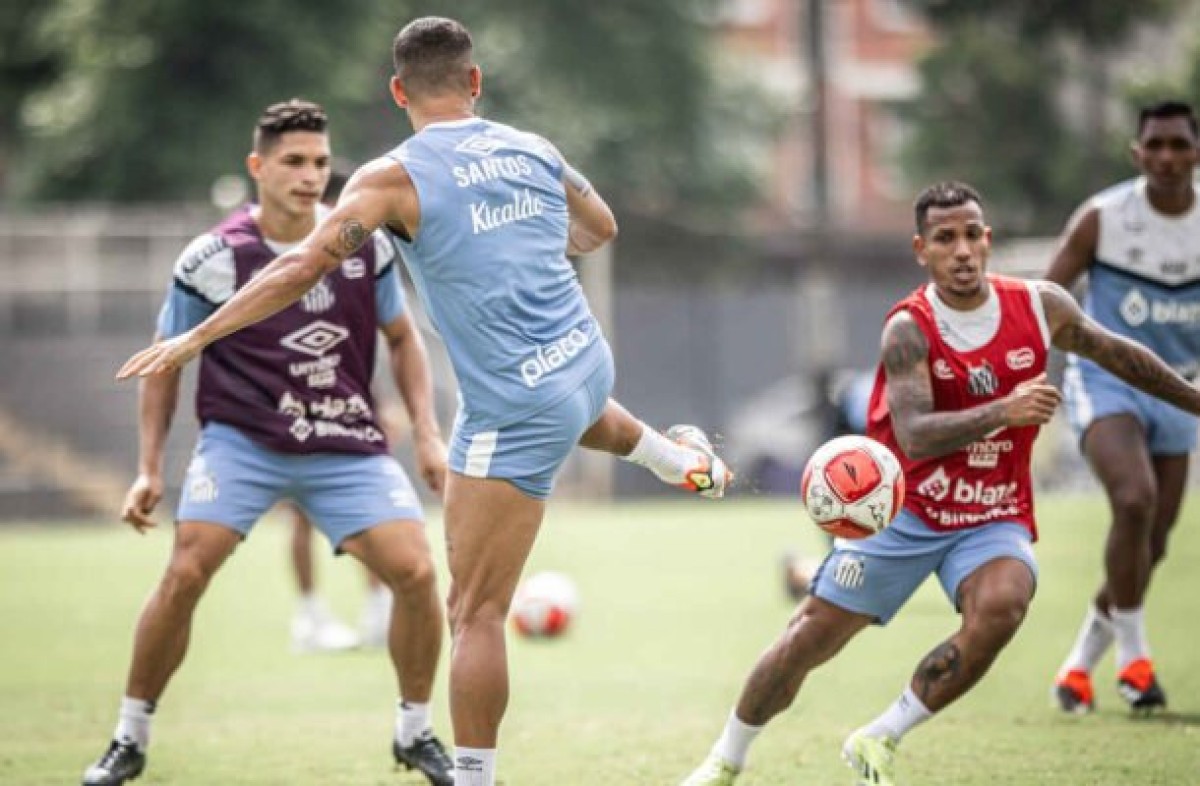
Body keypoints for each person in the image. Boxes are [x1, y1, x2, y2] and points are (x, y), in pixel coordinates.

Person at [114, 18, 733, 786]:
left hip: (512, 408)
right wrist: (526, 242)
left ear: (399, 91)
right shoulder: (534, 149)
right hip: (586, 363)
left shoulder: (388, 179)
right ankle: (680, 460)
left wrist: (193, 338)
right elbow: (601, 228)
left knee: (472, 612)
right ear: (475, 83)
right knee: (572, 412)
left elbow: (303, 267)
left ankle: (474, 777)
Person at [678, 181, 1200, 786]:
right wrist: (1006, 410)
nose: (962, 250)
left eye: (972, 235)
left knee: (1004, 606)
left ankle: (881, 736)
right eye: (946, 239)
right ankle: (725, 759)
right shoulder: (909, 328)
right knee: (807, 640)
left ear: (987, 241)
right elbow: (916, 432)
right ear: (921, 249)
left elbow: (1119, 354)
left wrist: (1193, 399)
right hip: (905, 512)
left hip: (991, 514)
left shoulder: (1041, 306)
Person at [84, 99, 455, 786]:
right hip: (243, 443)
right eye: (294, 162)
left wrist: (427, 436)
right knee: (187, 568)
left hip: (345, 441)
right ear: (258, 167)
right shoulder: (213, 259)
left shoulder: (363, 245)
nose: (311, 175)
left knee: (418, 573)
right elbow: (165, 367)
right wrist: (147, 470)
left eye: (320, 162)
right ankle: (128, 738)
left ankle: (415, 731)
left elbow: (405, 340)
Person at [1047, 100, 1200, 715]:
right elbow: (1046, 303)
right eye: (1154, 145)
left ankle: (1078, 666)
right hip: (1106, 381)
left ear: (1196, 153)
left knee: (1153, 542)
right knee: (1133, 499)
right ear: (1136, 154)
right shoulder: (1102, 218)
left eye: (1178, 145)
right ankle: (1135, 663)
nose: (1166, 157)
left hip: (1181, 388)